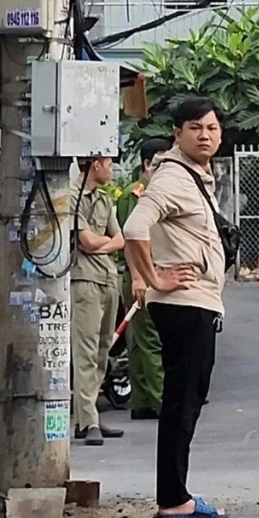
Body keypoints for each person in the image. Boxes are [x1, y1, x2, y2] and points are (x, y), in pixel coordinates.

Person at [123, 97, 229, 518]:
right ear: (177, 133)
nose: (205, 135)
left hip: (196, 304)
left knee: (188, 398)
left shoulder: (195, 175)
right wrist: (155, 279)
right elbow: (134, 227)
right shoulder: (174, 177)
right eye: (195, 128)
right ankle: (173, 497)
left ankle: (175, 492)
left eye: (212, 128)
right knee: (183, 399)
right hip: (183, 304)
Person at [70, 156, 125, 446]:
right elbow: (86, 242)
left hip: (107, 278)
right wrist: (102, 244)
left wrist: (99, 244)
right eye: (108, 163)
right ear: (95, 164)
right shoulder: (71, 195)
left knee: (104, 349)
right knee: (86, 351)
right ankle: (87, 419)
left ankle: (88, 414)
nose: (111, 169)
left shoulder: (104, 200)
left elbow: (120, 239)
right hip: (85, 280)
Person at [116, 137, 171, 421]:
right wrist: (139, 277)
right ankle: (162, 399)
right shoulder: (136, 195)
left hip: (145, 272)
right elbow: (131, 239)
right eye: (160, 164)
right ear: (147, 164)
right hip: (141, 274)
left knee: (138, 339)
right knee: (151, 338)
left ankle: (143, 400)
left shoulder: (152, 193)